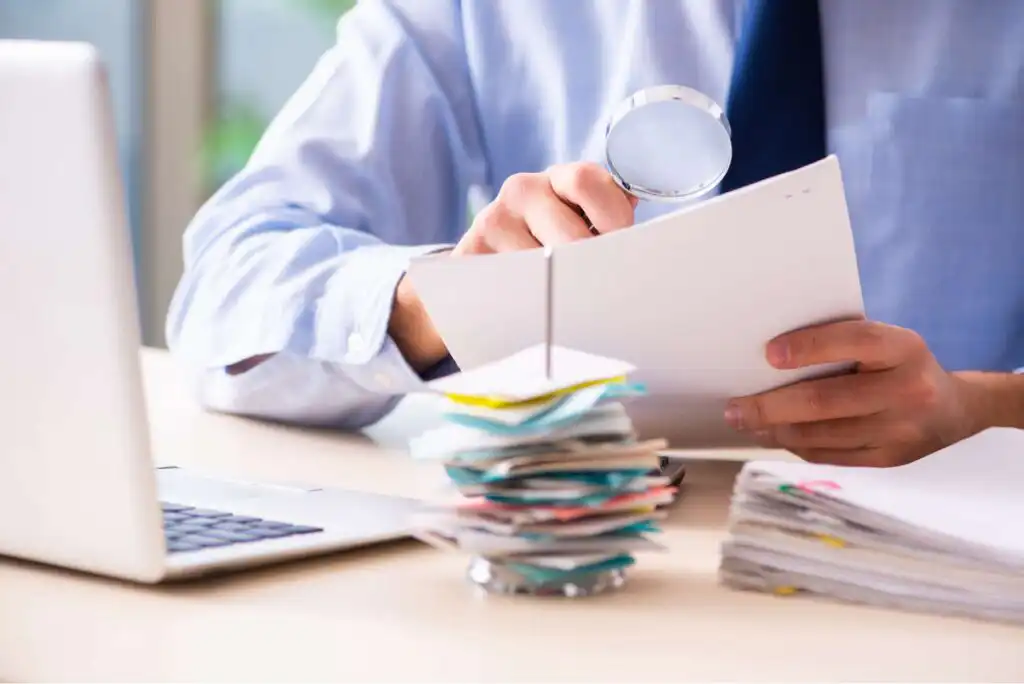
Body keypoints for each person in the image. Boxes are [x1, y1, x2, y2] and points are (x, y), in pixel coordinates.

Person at [166, 0, 1024, 467]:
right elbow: (225, 288)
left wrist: (981, 409)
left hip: (937, 579)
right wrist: (448, 297)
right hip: (589, 564)